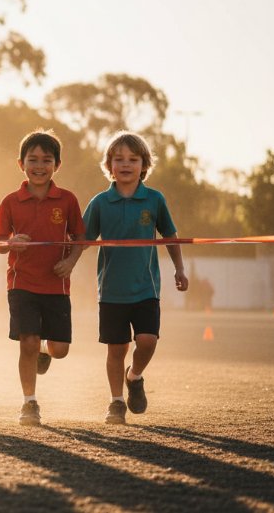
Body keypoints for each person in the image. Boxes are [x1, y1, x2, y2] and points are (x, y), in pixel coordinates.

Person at [83, 131, 188, 425]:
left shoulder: (154, 199)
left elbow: (170, 235)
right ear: (109, 165)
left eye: (133, 159)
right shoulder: (100, 202)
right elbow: (81, 239)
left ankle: (135, 376)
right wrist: (66, 260)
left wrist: (179, 268)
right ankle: (116, 402)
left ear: (144, 165)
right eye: (119, 159)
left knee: (148, 341)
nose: (126, 164)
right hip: (111, 291)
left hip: (146, 288)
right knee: (116, 349)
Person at [0, 129, 85, 426]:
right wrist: (10, 243)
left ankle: (46, 350)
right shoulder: (10, 201)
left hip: (56, 286)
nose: (39, 166)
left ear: (57, 165)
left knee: (60, 350)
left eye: (47, 160)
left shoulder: (67, 200)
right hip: (22, 284)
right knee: (27, 342)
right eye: (33, 159)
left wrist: (70, 261)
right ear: (21, 164)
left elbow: (80, 238)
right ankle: (29, 403)